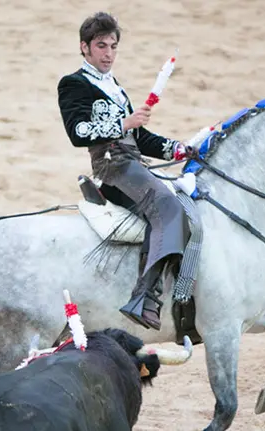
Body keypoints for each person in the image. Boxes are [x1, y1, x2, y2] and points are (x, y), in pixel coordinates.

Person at [57, 11, 194, 331]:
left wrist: (178, 148)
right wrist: (123, 123)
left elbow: (139, 137)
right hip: (113, 168)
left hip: (132, 165)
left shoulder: (113, 85)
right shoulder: (73, 83)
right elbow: (77, 132)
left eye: (113, 46)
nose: (108, 54)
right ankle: (144, 296)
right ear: (85, 48)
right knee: (169, 207)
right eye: (101, 46)